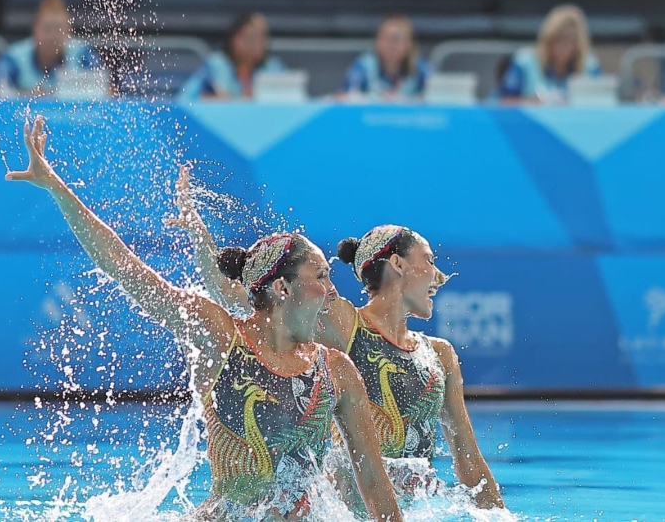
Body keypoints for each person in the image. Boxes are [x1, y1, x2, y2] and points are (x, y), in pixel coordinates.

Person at [5, 117, 403, 522]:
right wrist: (57, 186)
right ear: (283, 289)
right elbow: (125, 267)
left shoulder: (337, 370)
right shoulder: (221, 337)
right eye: (320, 277)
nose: (332, 291)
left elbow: (373, 482)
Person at [167, 167, 505, 511]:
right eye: (429, 262)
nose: (440, 275)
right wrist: (200, 237)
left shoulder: (440, 354)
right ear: (398, 264)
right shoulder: (345, 325)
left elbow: (470, 463)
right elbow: (252, 296)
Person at [0, 0, 106, 96]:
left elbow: (106, 91)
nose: (52, 36)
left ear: (68, 31)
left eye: (58, 29)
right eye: (47, 28)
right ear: (35, 29)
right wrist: (28, 94)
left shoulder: (82, 54)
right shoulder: (13, 58)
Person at [498, 4, 600, 104]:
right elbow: (502, 102)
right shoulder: (525, 63)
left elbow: (605, 100)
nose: (564, 46)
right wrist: (531, 102)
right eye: (559, 38)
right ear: (548, 39)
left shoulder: (589, 66)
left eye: (571, 40)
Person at [178, 12, 286, 101]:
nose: (256, 44)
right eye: (250, 37)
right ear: (234, 39)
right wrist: (211, 99)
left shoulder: (273, 67)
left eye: (262, 38)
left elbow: (293, 99)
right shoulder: (215, 65)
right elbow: (185, 98)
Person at [341, 15, 429, 101]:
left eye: (395, 39)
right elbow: (342, 96)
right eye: (384, 38)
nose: (390, 45)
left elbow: (434, 99)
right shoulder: (364, 66)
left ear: (408, 44)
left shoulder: (419, 68)